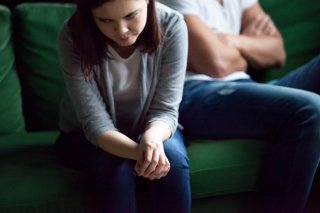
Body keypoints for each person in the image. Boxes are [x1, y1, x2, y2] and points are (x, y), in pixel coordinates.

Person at [159, 0, 320, 212]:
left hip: (246, 86)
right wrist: (249, 49)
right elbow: (217, 64)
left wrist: (231, 41)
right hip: (197, 93)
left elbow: (277, 53)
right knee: (310, 110)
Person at [55, 0, 191, 212]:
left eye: (131, 15)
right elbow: (95, 124)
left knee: (171, 160)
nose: (122, 31)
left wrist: (152, 139)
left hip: (152, 127)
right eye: (106, 20)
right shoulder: (73, 35)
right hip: (82, 137)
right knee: (116, 166)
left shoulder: (172, 25)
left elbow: (166, 109)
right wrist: (144, 154)